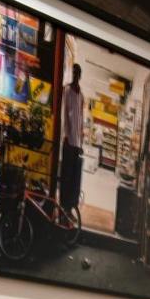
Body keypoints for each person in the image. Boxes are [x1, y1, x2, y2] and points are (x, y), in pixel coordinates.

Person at [60, 63, 85, 212]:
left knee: (74, 178)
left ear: (80, 76)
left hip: (77, 143)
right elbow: (65, 114)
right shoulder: (67, 91)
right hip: (68, 141)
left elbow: (80, 120)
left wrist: (81, 142)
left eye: (77, 73)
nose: (75, 75)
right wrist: (66, 136)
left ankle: (69, 207)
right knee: (66, 176)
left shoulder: (81, 96)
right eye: (74, 72)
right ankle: (63, 206)